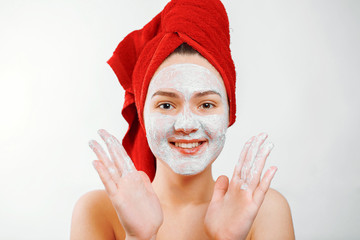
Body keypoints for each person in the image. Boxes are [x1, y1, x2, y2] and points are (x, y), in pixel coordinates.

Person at [71, 0, 295, 239]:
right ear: (142, 114)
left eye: (206, 104)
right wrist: (137, 237)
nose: (186, 125)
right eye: (166, 105)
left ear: (230, 113)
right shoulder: (98, 210)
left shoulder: (262, 209)